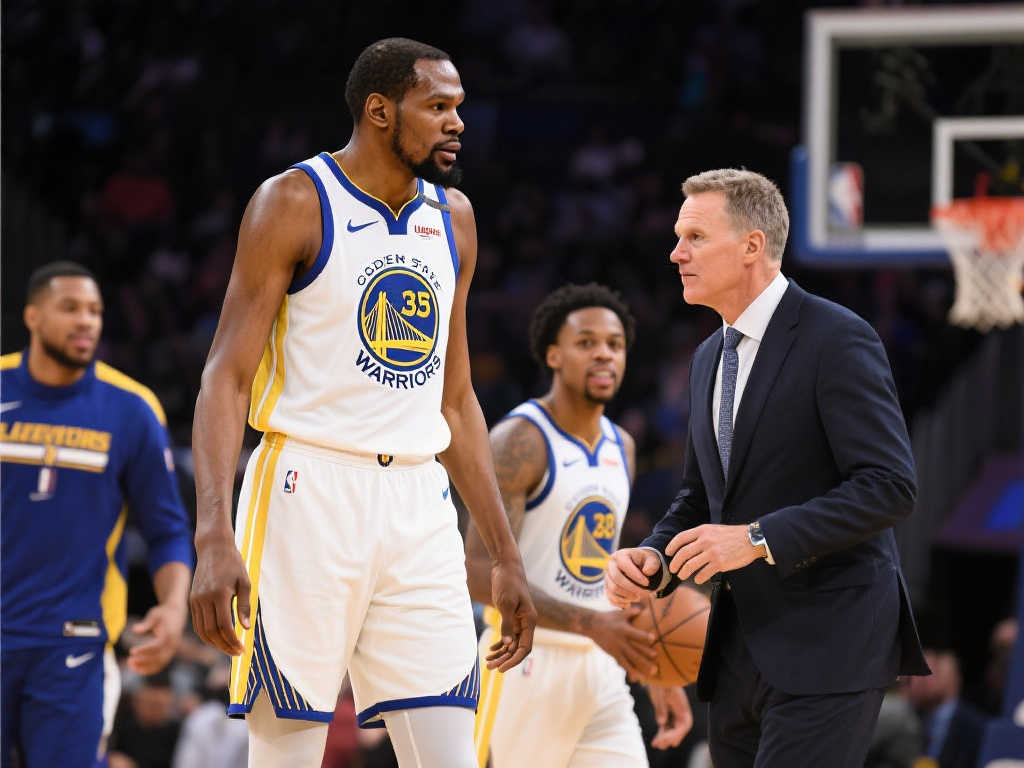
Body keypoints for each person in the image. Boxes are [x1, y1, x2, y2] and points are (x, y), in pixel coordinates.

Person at [188, 37, 536, 768]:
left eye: (459, 107)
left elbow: (457, 400)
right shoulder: (293, 201)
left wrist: (505, 552)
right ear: (380, 111)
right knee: (287, 753)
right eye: (437, 106)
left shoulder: (455, 217)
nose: (456, 122)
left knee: (450, 755)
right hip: (306, 489)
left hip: (419, 502)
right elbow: (226, 375)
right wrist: (212, 532)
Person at [604, 169, 931, 768]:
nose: (676, 253)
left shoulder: (837, 338)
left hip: (830, 639)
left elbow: (889, 486)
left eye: (695, 237)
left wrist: (755, 539)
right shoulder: (708, 357)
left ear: (752, 245)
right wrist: (654, 556)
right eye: (678, 237)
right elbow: (699, 498)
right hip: (737, 648)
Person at [467, 283, 693, 768]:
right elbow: (477, 572)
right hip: (524, 662)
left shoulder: (622, 446)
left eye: (614, 344)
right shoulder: (519, 440)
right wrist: (589, 623)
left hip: (600, 664)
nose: (604, 354)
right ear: (553, 355)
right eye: (586, 342)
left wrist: (656, 666)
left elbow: (610, 573)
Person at [1, 261, 193, 767]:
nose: (86, 320)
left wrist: (174, 607)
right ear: (33, 317)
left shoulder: (132, 409)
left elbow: (168, 530)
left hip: (75, 642)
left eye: (94, 311)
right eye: (70, 308)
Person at [906, 648, 989, 768]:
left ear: (954, 678)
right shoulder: (913, 716)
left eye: (935, 672)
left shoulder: (976, 725)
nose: (920, 681)